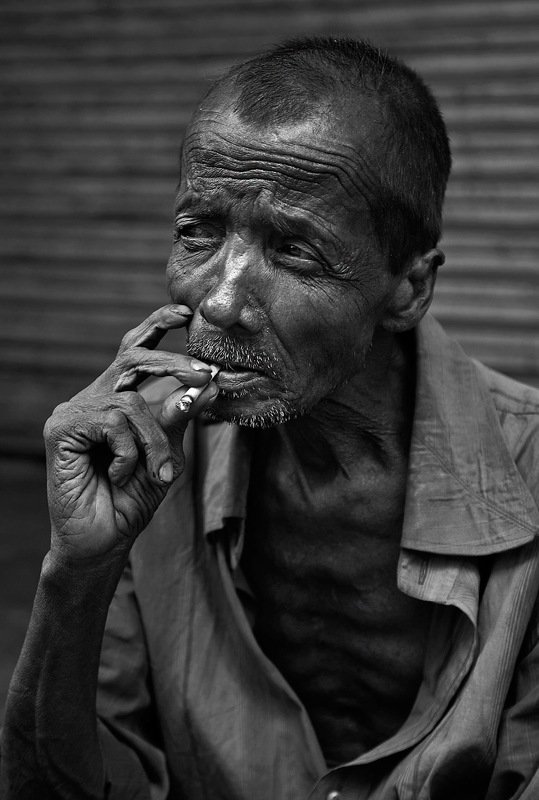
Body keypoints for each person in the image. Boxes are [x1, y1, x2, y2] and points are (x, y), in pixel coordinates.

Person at [2, 36, 539, 800]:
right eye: (198, 232)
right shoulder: (148, 466)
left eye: (293, 250)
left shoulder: (529, 474)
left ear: (408, 289)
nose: (219, 302)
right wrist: (76, 570)